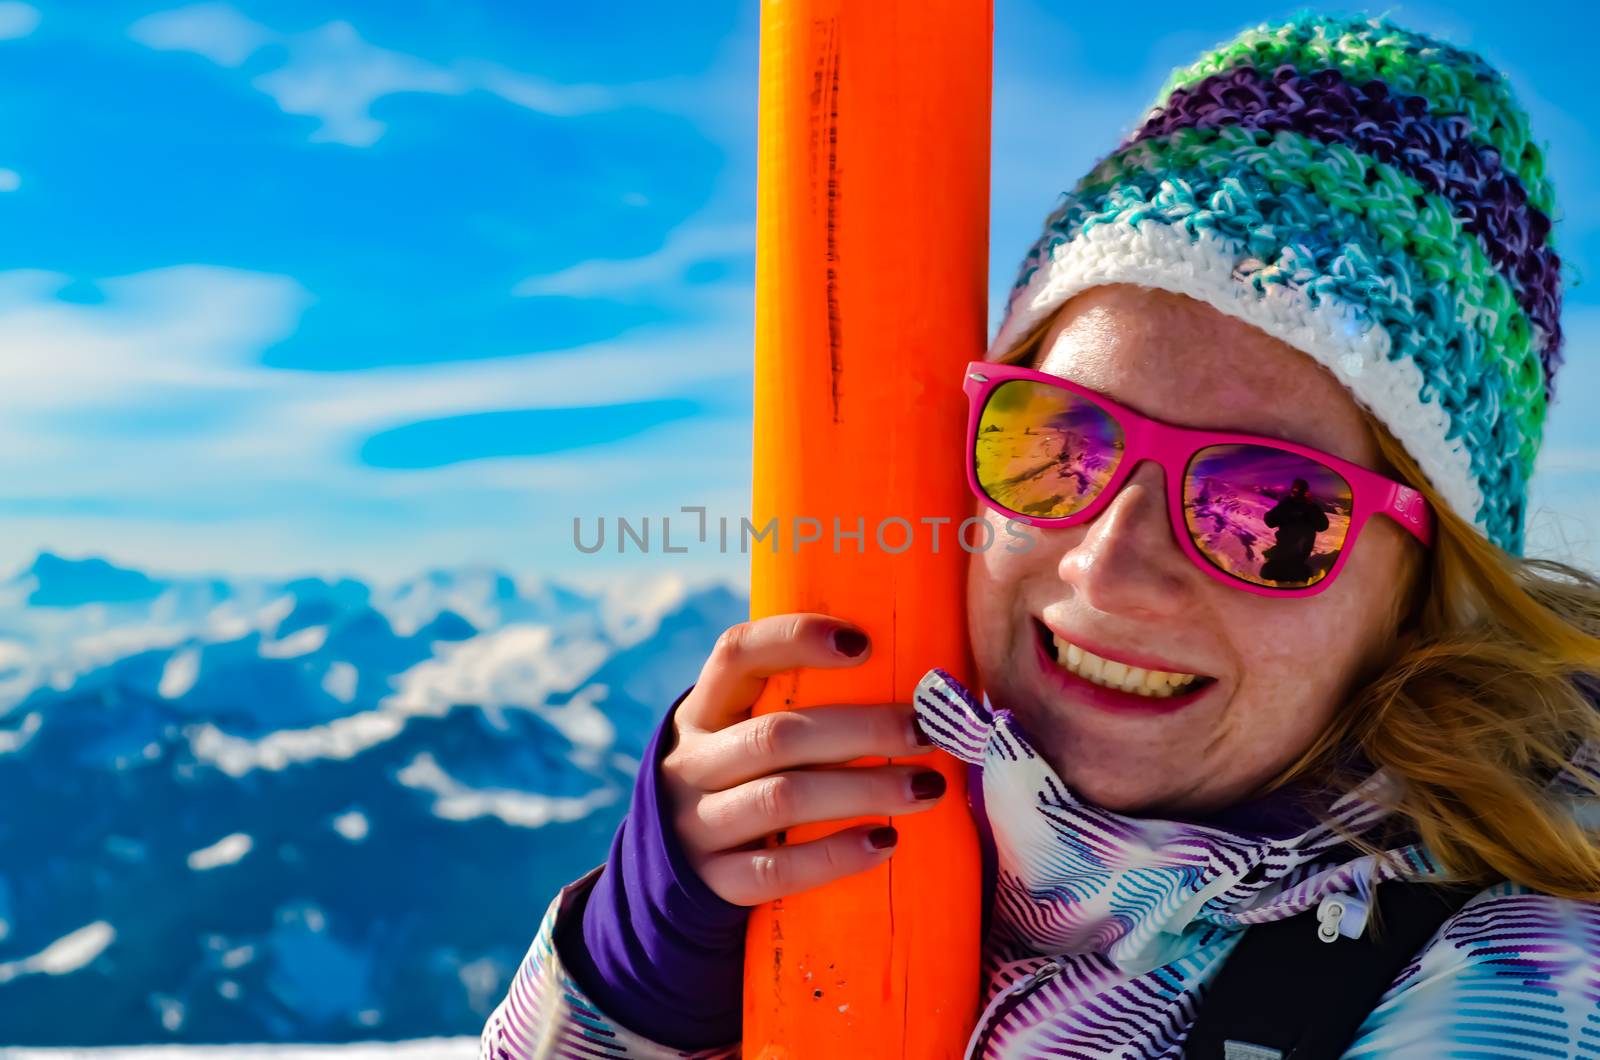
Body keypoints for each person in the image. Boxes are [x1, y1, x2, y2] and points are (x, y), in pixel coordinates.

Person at [481, 14, 1600, 1058]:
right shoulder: (877, 828)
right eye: (1056, 441)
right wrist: (631, 981)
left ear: (1427, 589)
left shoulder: (1506, 988)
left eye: (1273, 510)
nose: (1109, 564)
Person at [1260, 478, 1329, 584]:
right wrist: (1285, 503)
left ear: (1305, 493)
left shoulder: (1309, 508)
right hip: (1284, 553)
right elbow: (1270, 521)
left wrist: (1311, 506)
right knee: (1268, 572)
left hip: (1297, 556)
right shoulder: (1288, 505)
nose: (1296, 494)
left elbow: (1322, 526)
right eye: (1294, 491)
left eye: (1299, 491)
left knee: (1269, 572)